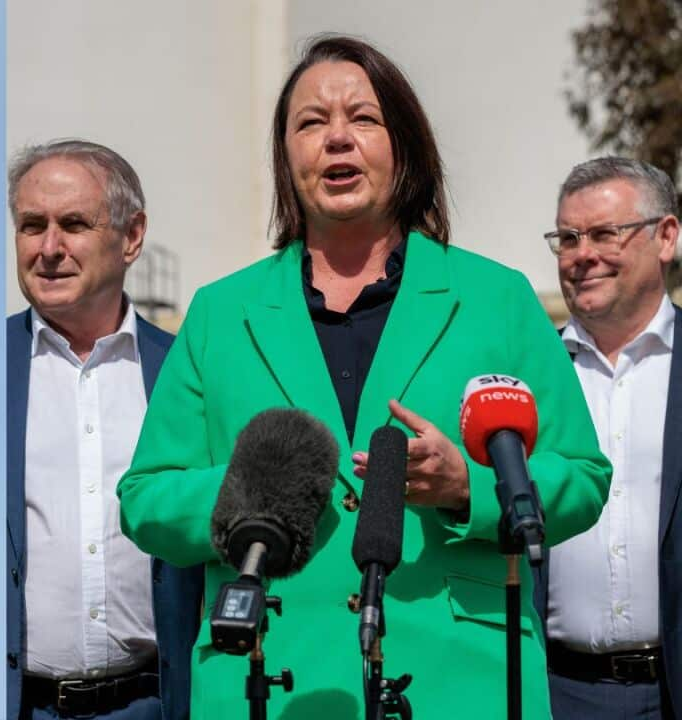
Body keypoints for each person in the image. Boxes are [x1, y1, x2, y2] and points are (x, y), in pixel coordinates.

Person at [117, 36, 612, 719]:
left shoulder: (497, 298)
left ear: (403, 145)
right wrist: (245, 495)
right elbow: (145, 499)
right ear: (286, 157)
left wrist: (469, 488)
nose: (337, 139)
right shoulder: (218, 314)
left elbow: (582, 474)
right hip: (267, 682)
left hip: (463, 686)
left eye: (363, 119)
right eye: (311, 123)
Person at [5, 139, 205, 720]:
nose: (48, 249)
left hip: (155, 704)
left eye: (73, 224)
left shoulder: (184, 372)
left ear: (132, 237)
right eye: (30, 225)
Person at [536, 157, 681, 718]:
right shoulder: (529, 375)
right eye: (568, 238)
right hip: (557, 691)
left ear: (665, 237)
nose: (582, 255)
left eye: (604, 234)